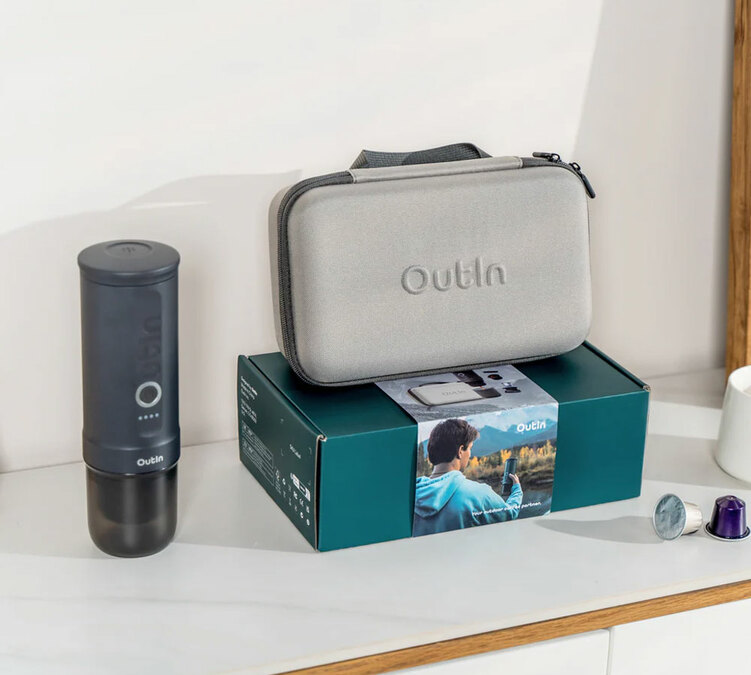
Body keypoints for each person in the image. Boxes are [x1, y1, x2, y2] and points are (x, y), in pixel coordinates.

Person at [413, 418, 523, 536]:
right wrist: (517, 490)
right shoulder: (479, 494)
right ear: (460, 451)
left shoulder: (410, 496)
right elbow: (509, 514)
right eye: (470, 448)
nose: (470, 454)